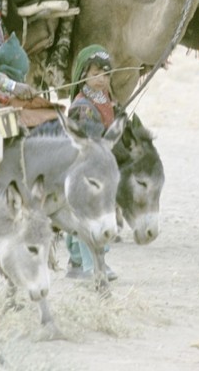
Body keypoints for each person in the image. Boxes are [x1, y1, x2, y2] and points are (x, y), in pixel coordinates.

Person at [64, 44, 119, 281]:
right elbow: (90, 144)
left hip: (98, 170)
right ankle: (92, 266)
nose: (101, 79)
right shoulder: (82, 107)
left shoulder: (105, 102)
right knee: (89, 217)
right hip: (85, 171)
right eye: (96, 73)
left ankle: (76, 262)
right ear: (83, 74)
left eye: (106, 74)